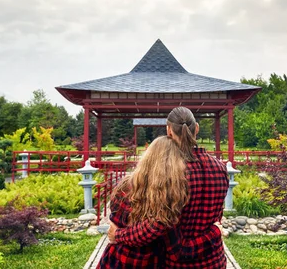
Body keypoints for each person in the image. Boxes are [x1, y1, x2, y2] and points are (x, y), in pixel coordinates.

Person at [108, 107, 229, 268]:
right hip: (215, 261)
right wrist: (214, 233)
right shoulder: (221, 168)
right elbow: (216, 218)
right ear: (197, 128)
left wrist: (118, 235)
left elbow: (158, 229)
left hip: (178, 264)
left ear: (169, 131)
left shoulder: (171, 176)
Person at [97, 135, 189, 268]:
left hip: (118, 258)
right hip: (150, 260)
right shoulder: (172, 195)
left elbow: (114, 221)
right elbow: (158, 232)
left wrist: (118, 234)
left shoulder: (125, 186)